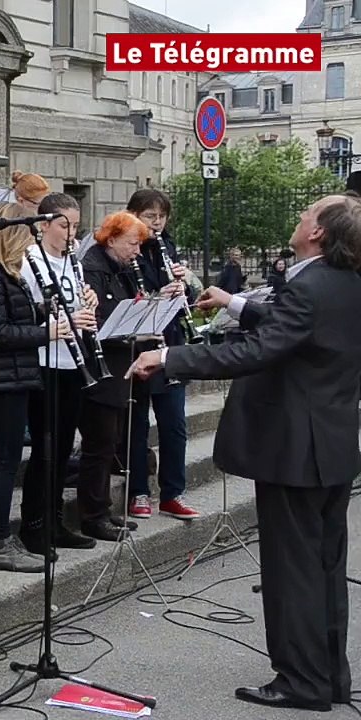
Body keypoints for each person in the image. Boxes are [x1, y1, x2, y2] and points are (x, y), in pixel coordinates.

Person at [128, 194, 361, 713]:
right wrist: (234, 303)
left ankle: (301, 682)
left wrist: (169, 355)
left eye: (306, 215)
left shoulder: (309, 285)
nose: (298, 220)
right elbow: (296, 327)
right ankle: (329, 676)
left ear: (319, 232)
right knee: (324, 566)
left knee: (292, 569)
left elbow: (258, 350)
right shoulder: (344, 282)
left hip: (294, 450)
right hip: (332, 445)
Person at [0, 202, 79, 572]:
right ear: (7, 235)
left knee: (12, 457)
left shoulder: (3, 272)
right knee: (4, 460)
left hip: (14, 372)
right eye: (22, 236)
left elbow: (18, 314)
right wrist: (48, 332)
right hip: (1, 374)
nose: (28, 244)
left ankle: (5, 537)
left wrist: (55, 312)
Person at [16, 193, 98, 555]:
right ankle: (34, 525)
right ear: (44, 224)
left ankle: (56, 522)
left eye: (75, 226)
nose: (70, 233)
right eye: (64, 225)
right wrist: (62, 320)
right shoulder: (30, 260)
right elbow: (27, 313)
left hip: (72, 360)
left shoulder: (72, 261)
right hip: (43, 362)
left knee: (64, 450)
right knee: (45, 451)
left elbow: (72, 302)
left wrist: (88, 303)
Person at [124, 188, 197, 521]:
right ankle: (139, 491)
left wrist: (184, 287)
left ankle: (173, 493)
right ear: (134, 215)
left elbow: (190, 294)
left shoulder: (167, 246)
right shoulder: (125, 248)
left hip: (169, 343)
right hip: (139, 345)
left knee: (174, 425)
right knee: (137, 425)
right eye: (149, 216)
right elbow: (125, 298)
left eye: (161, 216)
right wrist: (157, 295)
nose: (156, 223)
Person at [77, 211, 146, 541]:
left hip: (119, 364)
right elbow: (100, 320)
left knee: (110, 441)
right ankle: (93, 514)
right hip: (99, 368)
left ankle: (102, 508)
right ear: (112, 238)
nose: (137, 251)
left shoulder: (121, 268)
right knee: (99, 443)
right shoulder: (93, 267)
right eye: (133, 243)